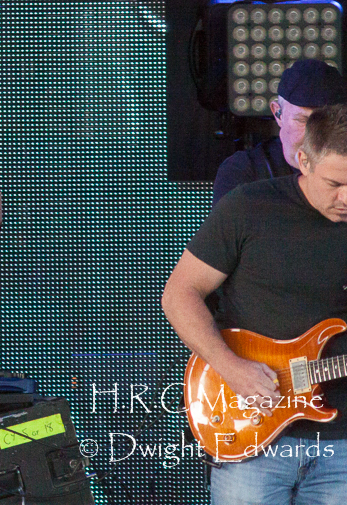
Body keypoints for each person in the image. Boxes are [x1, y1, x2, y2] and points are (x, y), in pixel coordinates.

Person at [163, 102, 347, 504]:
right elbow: (179, 294)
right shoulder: (249, 207)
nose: (346, 197)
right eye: (335, 183)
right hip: (252, 427)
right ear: (304, 161)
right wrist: (231, 368)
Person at [213, 60, 347, 204]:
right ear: (278, 114)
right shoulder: (244, 170)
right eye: (303, 120)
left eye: (327, 122)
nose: (316, 135)